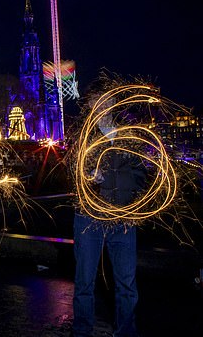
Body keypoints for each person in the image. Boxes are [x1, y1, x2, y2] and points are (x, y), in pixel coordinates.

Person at [72, 98, 147, 337]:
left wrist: (132, 205)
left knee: (127, 284)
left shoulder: (128, 137)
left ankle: (126, 332)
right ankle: (82, 331)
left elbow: (141, 175)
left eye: (106, 103)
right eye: (96, 104)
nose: (101, 109)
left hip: (123, 219)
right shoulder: (83, 136)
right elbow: (70, 167)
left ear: (113, 105)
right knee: (85, 282)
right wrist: (87, 175)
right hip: (89, 218)